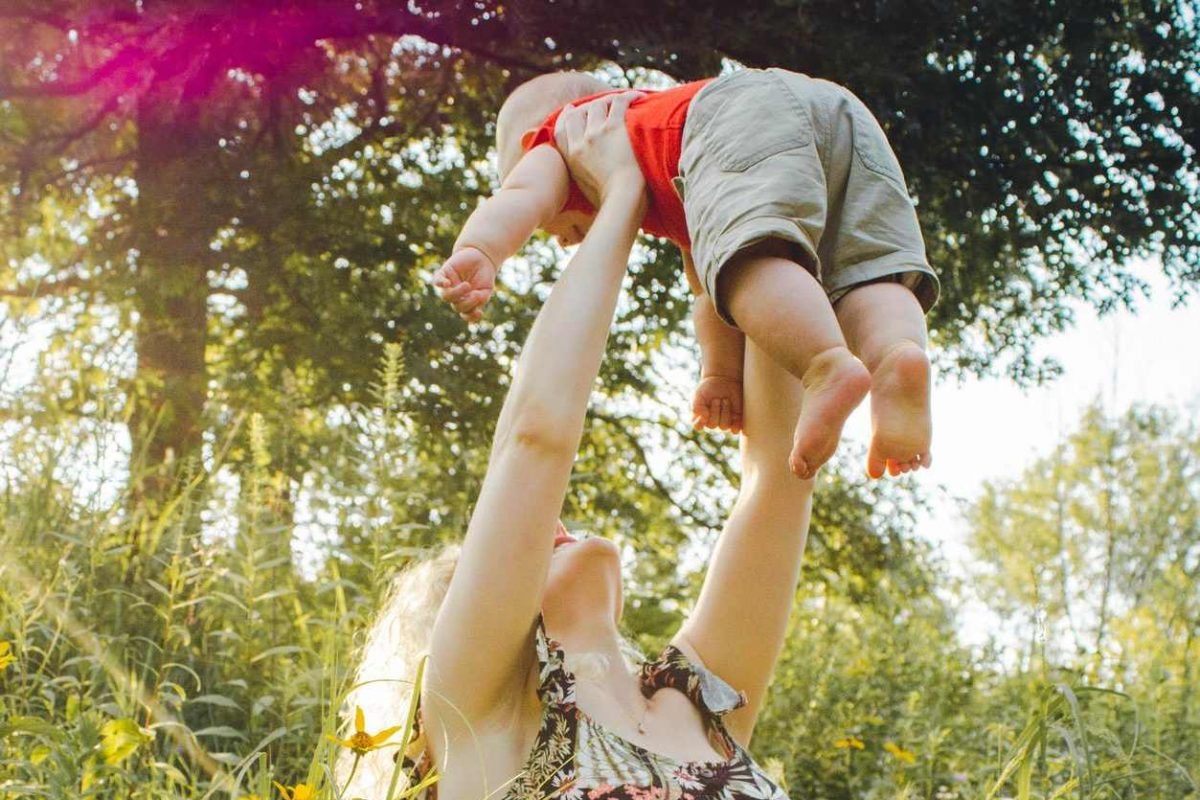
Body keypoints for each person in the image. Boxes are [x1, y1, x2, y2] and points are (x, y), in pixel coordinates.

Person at [341, 93, 813, 800]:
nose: (549, 526)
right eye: (502, 554)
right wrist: (622, 194)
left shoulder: (700, 707)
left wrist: (747, 212)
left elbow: (780, 473)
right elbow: (537, 438)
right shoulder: (478, 715)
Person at [433, 68, 940, 480]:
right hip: (837, 110)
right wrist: (720, 375)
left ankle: (826, 364)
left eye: (552, 227)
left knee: (750, 264)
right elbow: (709, 291)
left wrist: (480, 249)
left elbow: (520, 197)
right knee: (867, 270)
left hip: (737, 112)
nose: (562, 237)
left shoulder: (565, 137)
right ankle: (896, 357)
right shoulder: (675, 164)